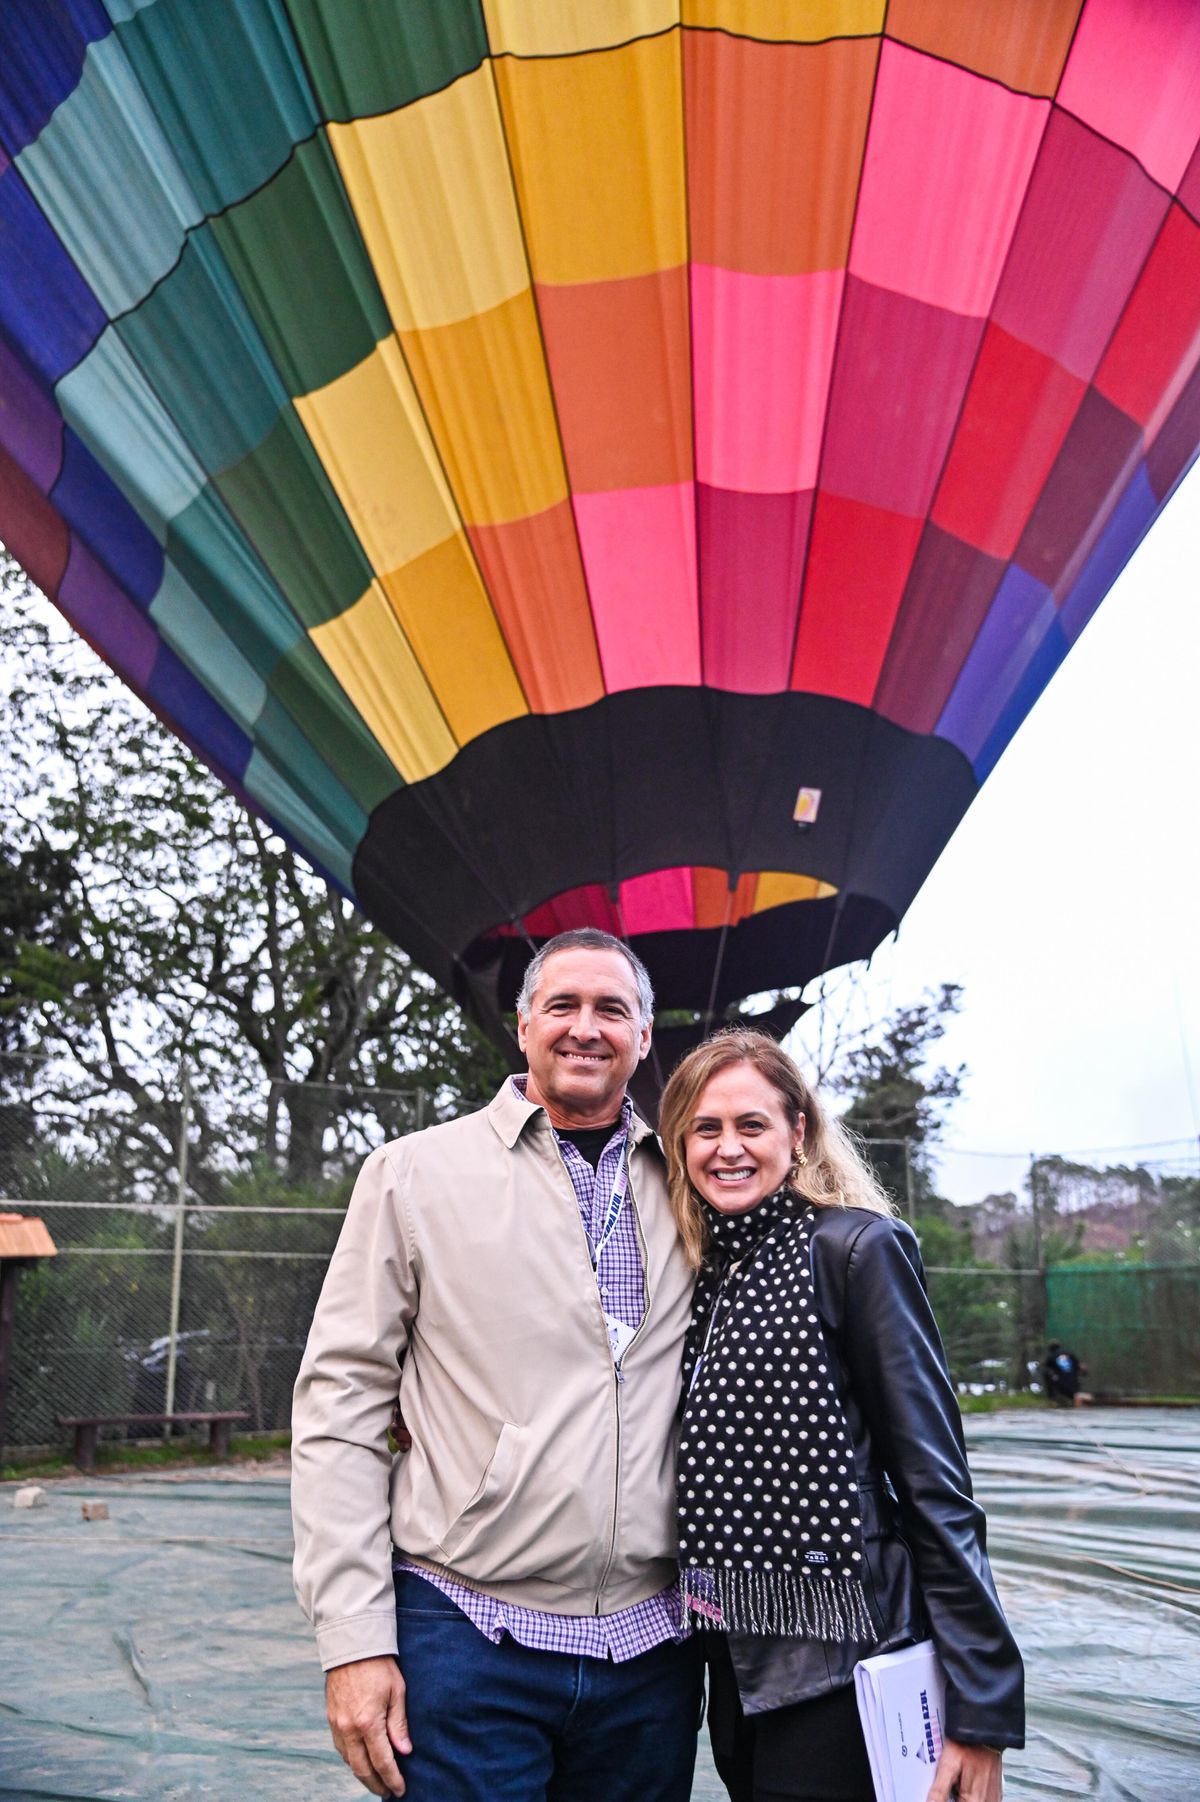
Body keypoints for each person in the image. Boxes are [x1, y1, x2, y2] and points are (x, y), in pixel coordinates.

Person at [291, 928, 701, 1800]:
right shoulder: (412, 1176)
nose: (585, 1028)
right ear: (523, 1027)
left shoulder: (690, 1183)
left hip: (653, 1652)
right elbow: (341, 1408)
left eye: (611, 1010)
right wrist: (355, 1639)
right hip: (468, 1635)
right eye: (562, 1005)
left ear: (642, 1037)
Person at [658, 1029, 1024, 1802]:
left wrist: (980, 1710)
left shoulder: (856, 1250)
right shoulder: (697, 1274)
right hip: (734, 1658)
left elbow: (937, 1487)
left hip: (845, 1656)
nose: (728, 1148)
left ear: (798, 1133)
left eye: (751, 1125)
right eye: (706, 1128)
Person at [1041, 1342, 1089, 1406]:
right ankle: (1080, 1399)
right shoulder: (1070, 1354)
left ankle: (1052, 1397)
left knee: (1046, 1372)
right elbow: (1079, 1367)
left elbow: (1046, 1369)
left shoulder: (1051, 1356)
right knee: (1074, 1394)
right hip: (1074, 1382)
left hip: (1060, 1383)